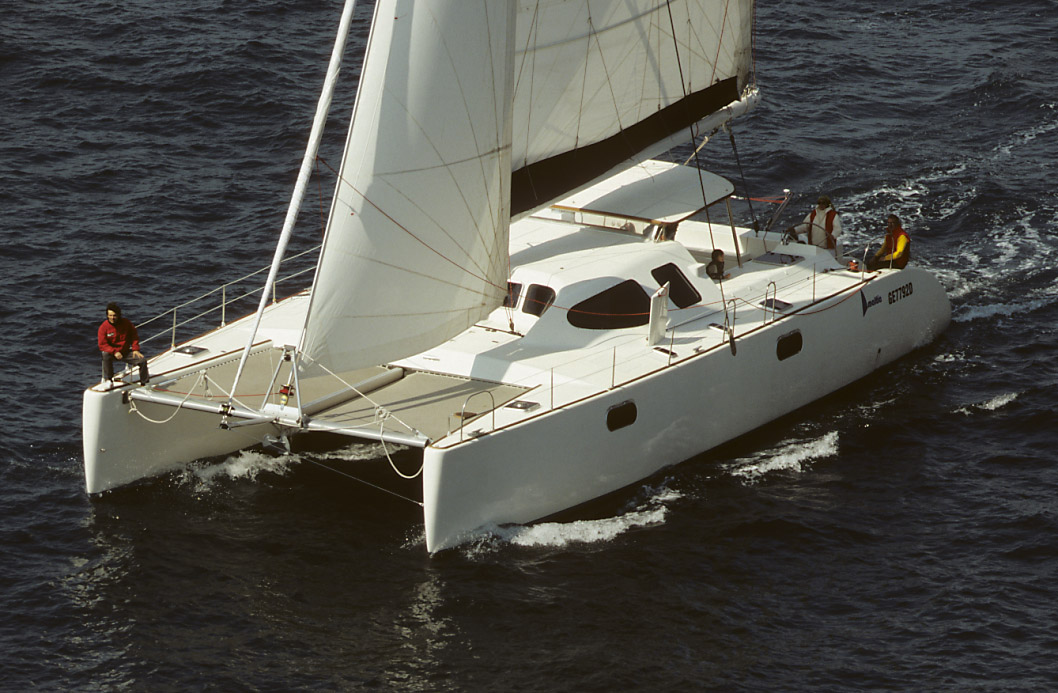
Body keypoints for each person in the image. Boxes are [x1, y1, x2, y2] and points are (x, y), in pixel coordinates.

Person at [98, 302, 150, 385]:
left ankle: (145, 383)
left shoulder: (126, 323)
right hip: (113, 353)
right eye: (110, 315)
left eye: (114, 315)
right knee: (105, 355)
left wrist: (135, 349)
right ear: (107, 315)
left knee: (142, 361)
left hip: (125, 352)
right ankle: (109, 379)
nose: (112, 318)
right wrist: (114, 352)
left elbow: (134, 336)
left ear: (118, 315)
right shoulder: (103, 327)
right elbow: (102, 345)